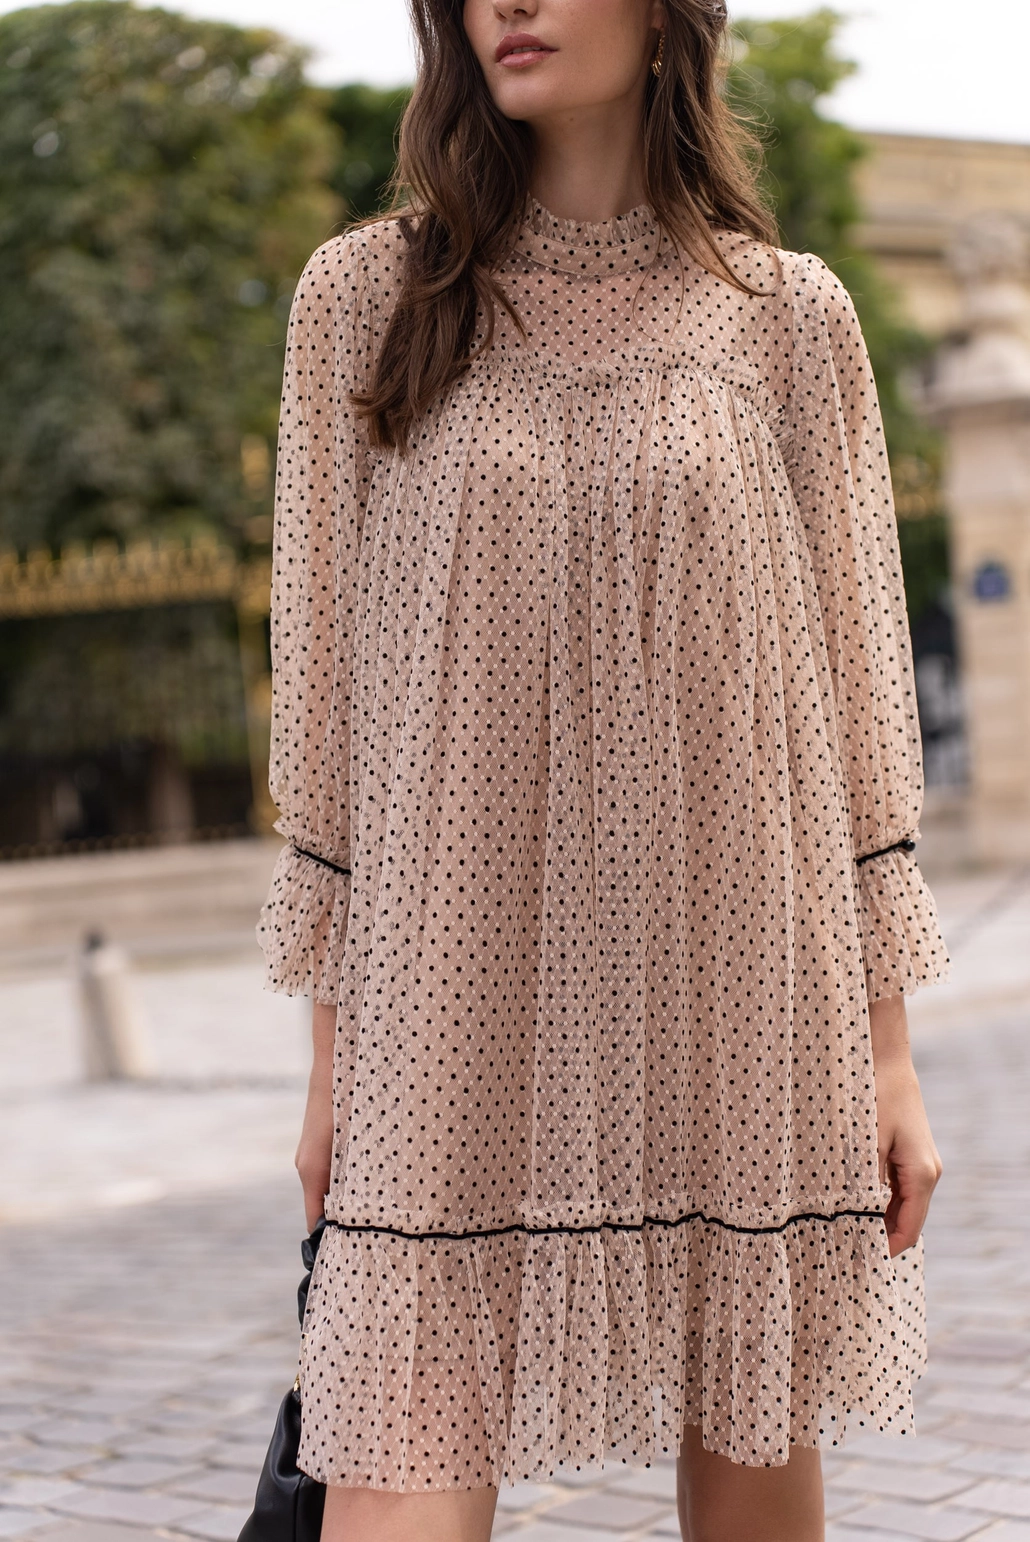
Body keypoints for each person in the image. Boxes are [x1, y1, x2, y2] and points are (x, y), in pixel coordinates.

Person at [257, 0, 950, 1537]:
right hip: (452, 996)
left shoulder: (787, 317)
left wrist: (888, 1054)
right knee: (397, 1463)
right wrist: (332, 1064)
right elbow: (325, 715)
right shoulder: (365, 297)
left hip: (740, 980)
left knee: (754, 1455)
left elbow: (854, 706)